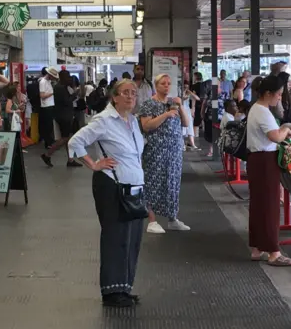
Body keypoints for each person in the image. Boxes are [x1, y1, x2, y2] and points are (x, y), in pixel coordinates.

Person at [67, 79, 145, 307]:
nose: (131, 96)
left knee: (131, 240)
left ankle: (124, 287)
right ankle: (111, 292)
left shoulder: (132, 121)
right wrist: (93, 164)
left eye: (134, 93)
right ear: (115, 97)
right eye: (126, 93)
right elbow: (76, 141)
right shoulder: (103, 120)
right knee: (115, 238)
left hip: (133, 187)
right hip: (112, 186)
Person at [246, 75, 291, 266]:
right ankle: (274, 252)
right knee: (270, 206)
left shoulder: (256, 109)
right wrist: (285, 130)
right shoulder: (263, 111)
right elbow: (275, 137)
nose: (279, 98)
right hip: (265, 161)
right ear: (268, 93)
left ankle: (257, 248)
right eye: (278, 94)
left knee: (259, 206)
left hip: (257, 160)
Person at [139, 74, 190, 234]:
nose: (166, 86)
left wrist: (180, 106)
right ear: (156, 85)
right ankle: (152, 220)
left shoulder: (172, 103)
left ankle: (172, 218)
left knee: (172, 183)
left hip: (174, 151)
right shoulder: (148, 104)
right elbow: (147, 126)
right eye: (163, 83)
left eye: (169, 83)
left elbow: (186, 123)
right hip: (156, 150)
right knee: (153, 183)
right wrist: (165, 115)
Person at [40, 70, 82, 168]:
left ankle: (70, 160)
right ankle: (47, 155)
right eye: (67, 77)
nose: (69, 79)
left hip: (63, 114)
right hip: (64, 116)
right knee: (65, 138)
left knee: (67, 138)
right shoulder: (60, 88)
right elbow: (67, 101)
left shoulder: (61, 87)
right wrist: (75, 94)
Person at [39, 67, 59, 149]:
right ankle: (48, 143)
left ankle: (50, 142)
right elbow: (42, 96)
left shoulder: (48, 81)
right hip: (46, 106)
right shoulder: (43, 82)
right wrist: (52, 93)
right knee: (47, 126)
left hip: (50, 105)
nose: (54, 78)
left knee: (50, 125)